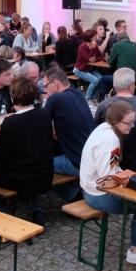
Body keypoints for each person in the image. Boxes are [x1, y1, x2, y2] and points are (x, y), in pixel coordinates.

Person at [79, 101, 136, 270]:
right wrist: (130, 180)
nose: (132, 126)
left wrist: (129, 176)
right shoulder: (110, 140)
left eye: (133, 121)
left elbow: (111, 169)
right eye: (128, 123)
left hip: (91, 187)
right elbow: (108, 177)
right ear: (116, 121)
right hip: (96, 194)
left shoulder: (104, 128)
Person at [0, 77, 54, 225]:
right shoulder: (44, 114)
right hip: (44, 174)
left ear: (12, 97)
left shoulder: (10, 123)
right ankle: (35, 208)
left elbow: (1, 157)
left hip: (20, 179)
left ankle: (4, 213)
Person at [42, 67, 95, 201]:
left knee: (41, 166)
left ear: (55, 83)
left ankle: (72, 195)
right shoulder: (78, 94)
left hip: (78, 163)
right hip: (91, 159)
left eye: (46, 86)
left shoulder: (55, 99)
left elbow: (39, 125)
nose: (44, 90)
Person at [73, 29, 106, 103]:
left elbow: (100, 56)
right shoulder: (82, 47)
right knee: (95, 80)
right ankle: (87, 99)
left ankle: (94, 96)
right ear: (91, 38)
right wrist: (92, 49)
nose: (96, 37)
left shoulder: (95, 45)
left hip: (89, 69)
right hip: (79, 69)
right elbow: (88, 59)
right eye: (95, 36)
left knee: (101, 78)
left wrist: (95, 59)